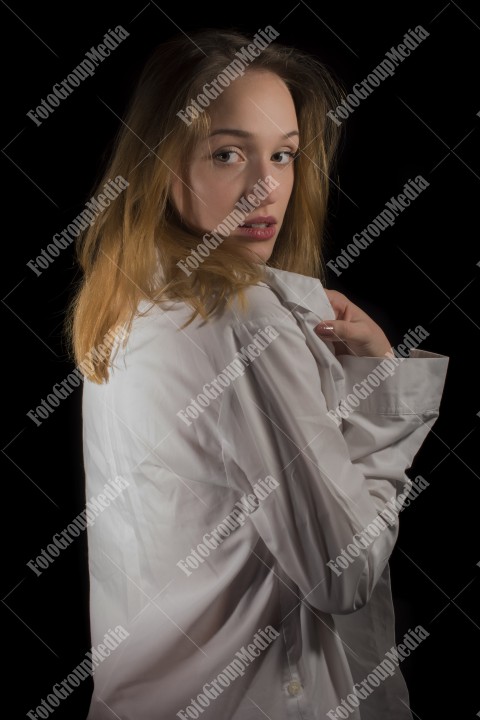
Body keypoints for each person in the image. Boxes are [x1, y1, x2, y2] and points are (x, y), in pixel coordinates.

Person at [70, 27, 449, 720]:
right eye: (227, 154)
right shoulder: (238, 319)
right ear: (161, 161)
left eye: (283, 155)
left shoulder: (126, 294)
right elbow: (345, 575)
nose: (265, 187)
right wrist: (379, 392)